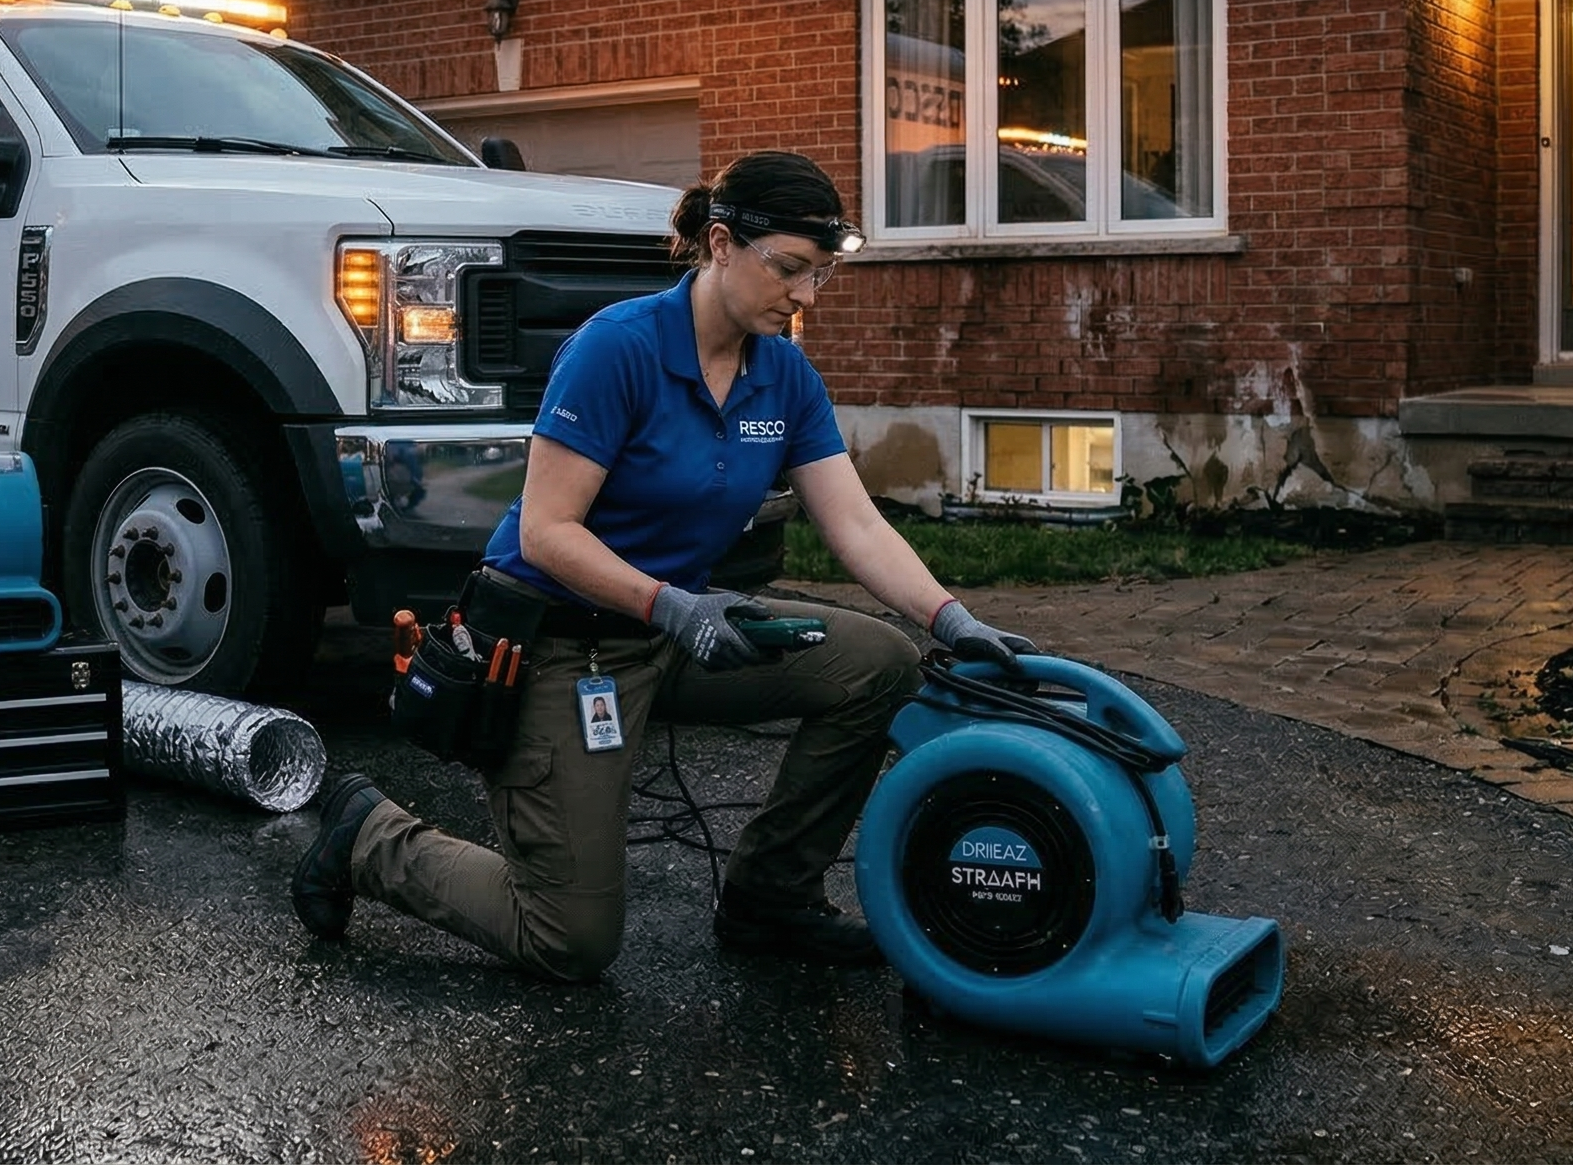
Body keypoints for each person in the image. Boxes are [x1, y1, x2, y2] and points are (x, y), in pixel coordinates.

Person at [291, 150, 1041, 979]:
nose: (803, 296)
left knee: (878, 666)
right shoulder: (619, 349)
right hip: (559, 648)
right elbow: (546, 532)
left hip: (676, 633)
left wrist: (950, 618)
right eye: (789, 270)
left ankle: (769, 898)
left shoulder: (784, 374)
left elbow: (855, 523)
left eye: (821, 276)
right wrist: (670, 607)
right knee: (569, 938)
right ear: (721, 245)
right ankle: (368, 836)